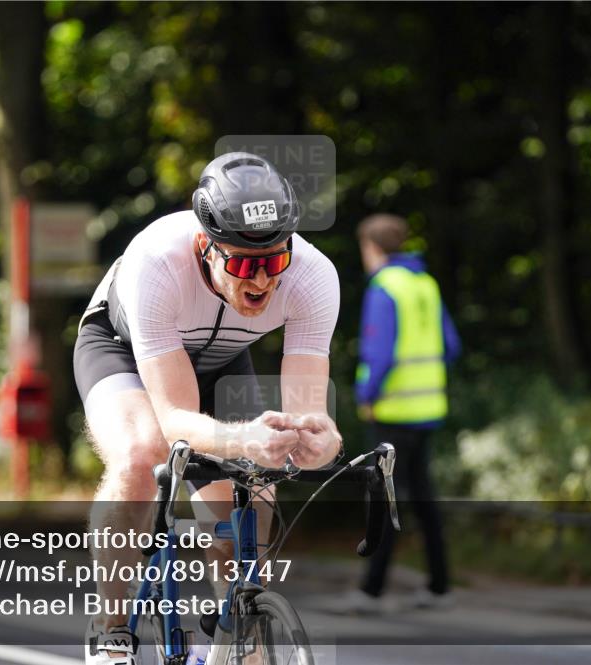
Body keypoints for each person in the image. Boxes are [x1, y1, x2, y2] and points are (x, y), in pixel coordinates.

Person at [73, 152, 343, 664]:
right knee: (142, 455)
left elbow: (310, 412)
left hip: (219, 360)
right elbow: (175, 419)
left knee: (254, 494)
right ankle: (112, 631)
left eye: (274, 261)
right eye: (243, 263)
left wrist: (321, 440)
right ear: (206, 245)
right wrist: (245, 438)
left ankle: (238, 634)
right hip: (121, 350)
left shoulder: (314, 278)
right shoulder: (156, 261)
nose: (261, 281)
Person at [338, 213, 460, 614]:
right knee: (423, 499)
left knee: (385, 499)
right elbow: (450, 344)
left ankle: (372, 590)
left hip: (393, 411)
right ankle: (440, 585)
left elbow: (379, 353)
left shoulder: (384, 287)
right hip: (428, 409)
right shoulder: (425, 283)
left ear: (371, 248)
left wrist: (366, 395)